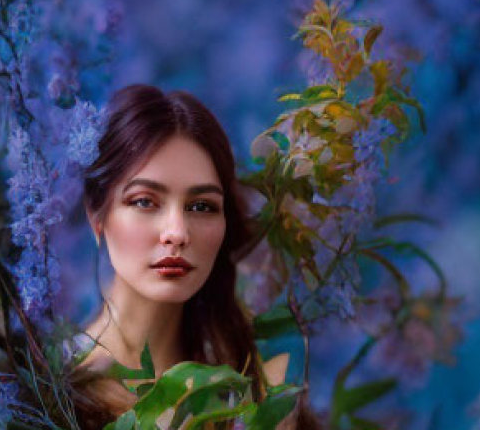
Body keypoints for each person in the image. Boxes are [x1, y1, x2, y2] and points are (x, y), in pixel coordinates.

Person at [66, 84, 312, 430]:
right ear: (97, 216)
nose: (177, 232)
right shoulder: (57, 394)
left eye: (201, 206)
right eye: (145, 201)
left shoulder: (266, 368)